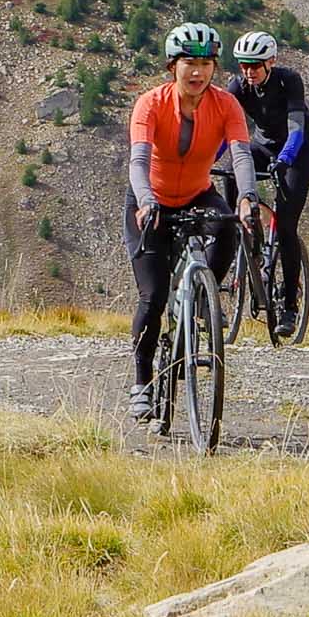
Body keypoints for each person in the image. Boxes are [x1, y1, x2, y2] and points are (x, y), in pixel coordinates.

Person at [125, 21, 255, 421]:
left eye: (205, 63)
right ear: (172, 66)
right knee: (153, 296)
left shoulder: (225, 104)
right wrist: (146, 201)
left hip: (199, 194)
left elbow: (241, 154)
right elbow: (139, 161)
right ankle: (142, 382)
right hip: (153, 201)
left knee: (230, 226)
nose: (197, 72)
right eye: (188, 63)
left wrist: (248, 197)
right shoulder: (151, 103)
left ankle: (202, 301)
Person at [228, 31, 309, 327]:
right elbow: (222, 131)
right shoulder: (238, 86)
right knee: (230, 173)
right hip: (263, 146)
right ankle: (244, 233)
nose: (248, 72)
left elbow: (297, 128)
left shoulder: (288, 80)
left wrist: (286, 159)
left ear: (271, 62)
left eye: (254, 65)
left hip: (296, 151)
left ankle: (290, 304)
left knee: (287, 226)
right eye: (243, 65)